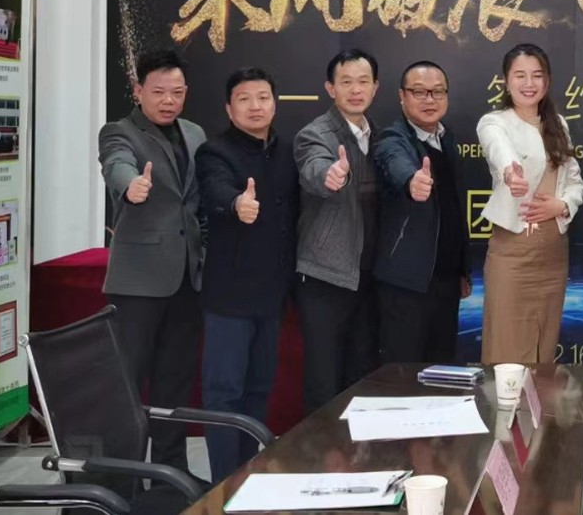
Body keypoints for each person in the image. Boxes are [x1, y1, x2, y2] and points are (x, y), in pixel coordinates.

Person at [97, 48, 205, 472]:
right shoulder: (119, 131)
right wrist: (131, 186)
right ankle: (118, 477)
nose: (168, 100)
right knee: (125, 384)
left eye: (176, 92)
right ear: (138, 90)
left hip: (187, 279)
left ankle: (170, 475)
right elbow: (116, 165)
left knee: (174, 383)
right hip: (138, 284)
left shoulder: (194, 133)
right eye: (158, 91)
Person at [195, 67, 298, 483]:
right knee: (224, 393)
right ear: (228, 108)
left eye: (263, 97)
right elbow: (214, 189)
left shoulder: (287, 151)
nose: (255, 106)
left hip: (272, 296)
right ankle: (223, 484)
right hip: (230, 298)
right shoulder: (215, 152)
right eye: (244, 99)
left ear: (274, 103)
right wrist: (237, 203)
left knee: (258, 390)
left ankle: (247, 474)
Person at [476, 43, 583, 364]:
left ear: (547, 81)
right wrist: (511, 173)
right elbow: (499, 149)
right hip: (512, 250)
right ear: (506, 81)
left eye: (537, 75)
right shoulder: (494, 122)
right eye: (520, 75)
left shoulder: (558, 124)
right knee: (507, 349)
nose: (529, 83)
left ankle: (539, 400)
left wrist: (561, 206)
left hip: (553, 251)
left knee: (544, 346)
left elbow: (575, 182)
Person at [294, 49, 381, 415]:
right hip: (325, 275)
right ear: (331, 88)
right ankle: (318, 450)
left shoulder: (378, 135)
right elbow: (314, 167)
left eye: (363, 82)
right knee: (324, 380)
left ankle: (355, 449)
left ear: (375, 87)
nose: (355, 90)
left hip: (367, 276)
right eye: (346, 82)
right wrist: (330, 176)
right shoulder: (314, 134)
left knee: (360, 375)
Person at [372, 61, 471, 363]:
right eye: (419, 92)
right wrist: (411, 181)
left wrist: (462, 270)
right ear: (402, 96)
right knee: (402, 371)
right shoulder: (392, 138)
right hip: (407, 282)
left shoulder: (446, 138)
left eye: (437, 92)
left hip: (446, 281)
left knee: (440, 369)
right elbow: (395, 162)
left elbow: (454, 210)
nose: (430, 99)